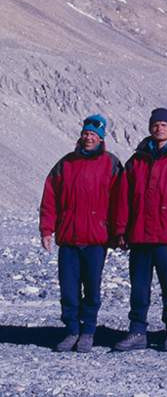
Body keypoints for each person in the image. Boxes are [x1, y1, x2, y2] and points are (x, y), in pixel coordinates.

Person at [111, 108, 167, 352]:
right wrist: (121, 230)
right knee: (139, 287)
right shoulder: (136, 160)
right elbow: (124, 198)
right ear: (150, 127)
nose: (160, 128)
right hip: (138, 235)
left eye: (164, 125)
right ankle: (137, 331)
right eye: (156, 124)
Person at [39, 114, 122, 353]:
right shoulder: (65, 164)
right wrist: (47, 229)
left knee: (92, 287)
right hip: (69, 237)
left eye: (94, 135)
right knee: (68, 287)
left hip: (96, 239)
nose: (88, 138)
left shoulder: (112, 164)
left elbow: (120, 201)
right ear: (81, 135)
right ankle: (72, 329)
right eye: (86, 133)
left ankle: (88, 331)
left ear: (101, 138)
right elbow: (50, 198)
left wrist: (118, 232)